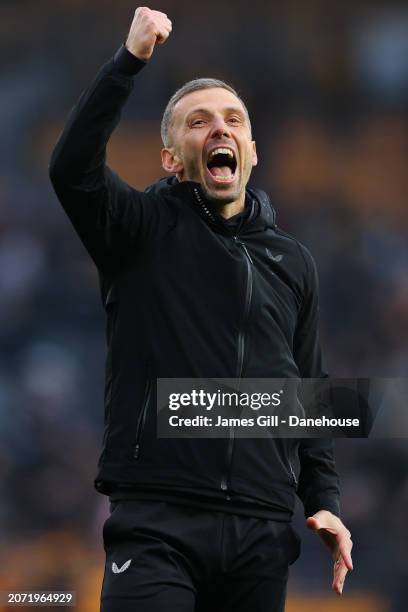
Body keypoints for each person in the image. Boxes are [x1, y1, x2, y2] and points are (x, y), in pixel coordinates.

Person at [49, 7, 353, 611]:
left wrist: (324, 501)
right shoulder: (137, 229)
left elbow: (309, 394)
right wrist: (129, 61)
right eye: (198, 122)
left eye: (233, 120)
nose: (220, 129)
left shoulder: (294, 262)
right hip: (158, 521)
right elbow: (70, 167)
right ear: (169, 157)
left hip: (262, 533)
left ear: (252, 151)